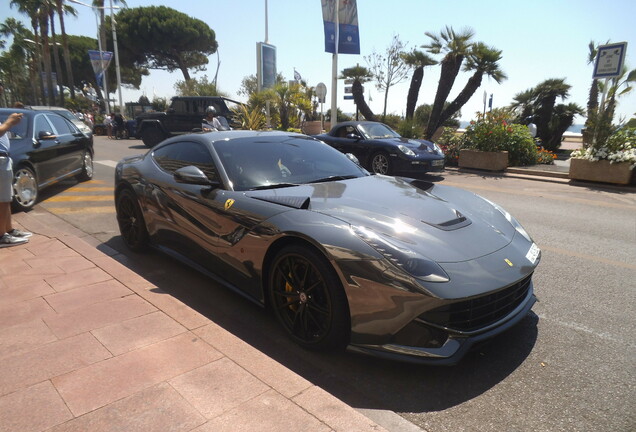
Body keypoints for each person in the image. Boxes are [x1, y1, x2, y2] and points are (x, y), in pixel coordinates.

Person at [0, 82, 32, 247]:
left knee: (6, 198)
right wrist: (10, 123)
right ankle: (1, 235)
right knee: (2, 199)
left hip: (4, 159)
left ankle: (9, 230)